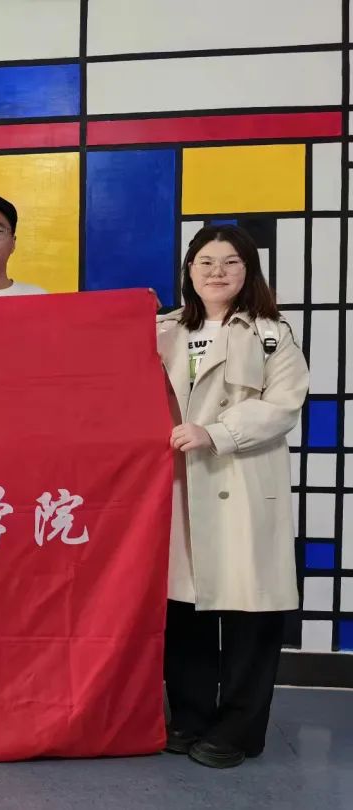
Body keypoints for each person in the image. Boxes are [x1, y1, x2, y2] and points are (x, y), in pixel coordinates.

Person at [157, 224, 308, 768]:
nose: (216, 272)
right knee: (186, 612)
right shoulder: (161, 330)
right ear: (189, 271)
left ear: (249, 271)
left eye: (230, 262)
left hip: (243, 483)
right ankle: (191, 718)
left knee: (250, 616)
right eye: (205, 262)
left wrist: (216, 433)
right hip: (180, 487)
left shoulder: (271, 332)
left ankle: (238, 728)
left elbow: (284, 404)